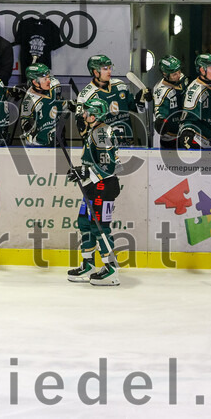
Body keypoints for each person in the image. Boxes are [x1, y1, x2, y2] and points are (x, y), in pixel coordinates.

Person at [66, 90, 121, 285]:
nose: (83, 115)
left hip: (103, 187)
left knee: (100, 227)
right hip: (93, 186)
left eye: (87, 112)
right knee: (84, 223)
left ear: (95, 114)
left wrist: (85, 173)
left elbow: (109, 166)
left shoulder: (102, 132)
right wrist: (82, 171)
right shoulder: (95, 130)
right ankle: (88, 264)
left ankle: (111, 268)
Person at [75, 54, 138, 145]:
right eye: (105, 69)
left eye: (110, 68)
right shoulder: (85, 95)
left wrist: (141, 100)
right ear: (96, 72)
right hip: (104, 147)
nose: (109, 71)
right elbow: (81, 126)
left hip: (127, 144)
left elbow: (137, 108)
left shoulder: (120, 85)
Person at [20, 63, 65, 146]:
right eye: (45, 79)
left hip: (58, 136)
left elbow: (61, 102)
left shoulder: (55, 84)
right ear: (35, 82)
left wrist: (71, 105)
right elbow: (25, 125)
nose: (49, 80)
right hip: (41, 144)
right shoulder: (29, 102)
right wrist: (33, 136)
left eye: (48, 77)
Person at [152, 55, 185, 149]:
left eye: (179, 71)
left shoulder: (181, 78)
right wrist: (161, 121)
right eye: (174, 74)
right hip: (171, 139)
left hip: (185, 133)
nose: (179, 75)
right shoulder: (161, 92)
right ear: (165, 74)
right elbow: (159, 111)